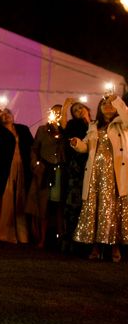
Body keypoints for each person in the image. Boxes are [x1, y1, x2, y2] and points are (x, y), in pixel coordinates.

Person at [70, 94, 128, 262]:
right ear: (99, 108)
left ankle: (115, 248)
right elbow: (86, 146)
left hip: (115, 174)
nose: (107, 106)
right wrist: (77, 143)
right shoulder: (94, 126)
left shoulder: (121, 125)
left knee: (113, 208)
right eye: (104, 104)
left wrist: (116, 99)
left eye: (111, 104)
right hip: (96, 173)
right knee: (96, 209)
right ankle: (96, 248)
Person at [0, 106, 33, 243]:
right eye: (3, 115)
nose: (6, 116)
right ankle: (1, 230)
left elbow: (31, 146)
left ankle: (22, 234)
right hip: (4, 169)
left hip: (22, 167)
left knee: (20, 197)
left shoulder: (23, 129)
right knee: (5, 195)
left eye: (8, 114)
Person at [25, 104, 66, 249]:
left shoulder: (67, 131)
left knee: (60, 206)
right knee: (43, 206)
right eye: (55, 112)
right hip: (45, 171)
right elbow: (35, 148)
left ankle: (61, 238)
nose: (58, 114)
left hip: (61, 172)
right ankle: (41, 239)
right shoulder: (42, 130)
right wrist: (35, 165)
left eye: (61, 113)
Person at [61, 98, 92, 253]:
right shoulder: (73, 125)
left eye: (80, 108)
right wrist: (66, 107)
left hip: (92, 164)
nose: (79, 110)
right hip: (77, 166)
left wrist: (88, 119)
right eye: (75, 110)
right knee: (74, 201)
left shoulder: (95, 123)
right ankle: (70, 239)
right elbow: (63, 126)